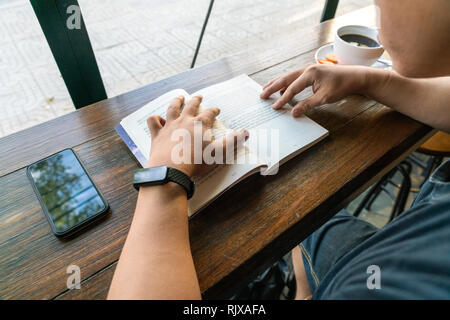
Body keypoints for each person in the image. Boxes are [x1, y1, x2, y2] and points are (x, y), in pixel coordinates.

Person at [107, 0, 450, 299]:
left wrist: (166, 176)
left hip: (360, 275)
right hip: (392, 247)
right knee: (309, 214)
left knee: (295, 216)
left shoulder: (402, 287)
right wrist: (371, 80)